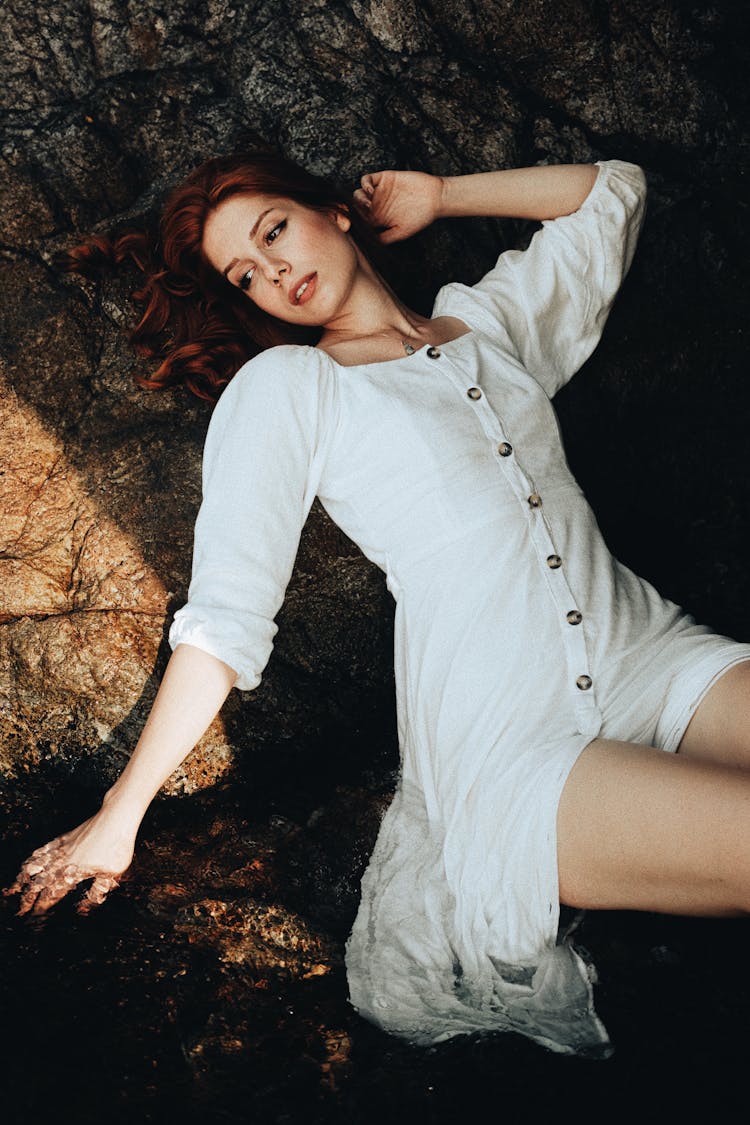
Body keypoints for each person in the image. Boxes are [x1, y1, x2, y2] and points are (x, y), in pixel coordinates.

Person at [5, 150, 750, 1057]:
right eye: (248, 272)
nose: (275, 270)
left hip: (655, 656)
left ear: (337, 213)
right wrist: (119, 817)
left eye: (274, 229)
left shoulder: (486, 326)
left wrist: (439, 197)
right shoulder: (290, 390)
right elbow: (225, 622)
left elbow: (612, 191)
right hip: (512, 744)